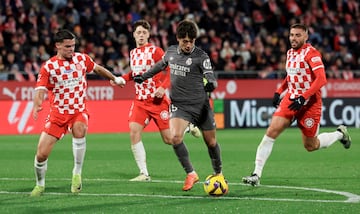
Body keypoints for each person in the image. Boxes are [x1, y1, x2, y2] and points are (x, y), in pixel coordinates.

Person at [242, 23, 352, 186]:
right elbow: (291, 75)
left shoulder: (312, 53)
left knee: (311, 145)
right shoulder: (290, 53)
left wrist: (304, 97)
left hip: (310, 104)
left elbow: (321, 79)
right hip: (291, 99)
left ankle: (340, 134)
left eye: (298, 35)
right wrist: (279, 91)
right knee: (271, 132)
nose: (293, 38)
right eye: (291, 35)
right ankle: (256, 174)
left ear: (306, 36)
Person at [30, 29, 125, 196]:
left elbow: (97, 69)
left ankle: (77, 173)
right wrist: (37, 104)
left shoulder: (81, 59)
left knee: (80, 130)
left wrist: (114, 78)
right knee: (41, 154)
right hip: (58, 114)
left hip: (78, 110)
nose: (71, 49)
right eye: (67, 46)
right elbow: (40, 89)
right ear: (57, 46)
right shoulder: (49, 67)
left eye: (73, 46)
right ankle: (40, 184)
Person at [134, 19, 224, 191]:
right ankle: (191, 173)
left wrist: (211, 84)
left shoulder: (201, 56)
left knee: (211, 143)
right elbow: (160, 66)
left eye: (191, 41)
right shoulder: (171, 52)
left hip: (201, 106)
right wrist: (143, 76)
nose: (188, 45)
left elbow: (210, 76)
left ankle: (218, 173)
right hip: (180, 106)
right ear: (178, 38)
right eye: (185, 41)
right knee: (175, 138)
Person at [119, 20, 201, 182]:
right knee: (134, 131)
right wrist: (121, 79)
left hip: (157, 101)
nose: (141, 35)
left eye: (144, 32)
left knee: (169, 139)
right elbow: (135, 74)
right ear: (134, 34)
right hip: (140, 101)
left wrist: (163, 87)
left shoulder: (155, 51)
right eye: (138, 32)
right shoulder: (133, 53)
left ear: (149, 34)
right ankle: (144, 173)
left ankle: (187, 126)